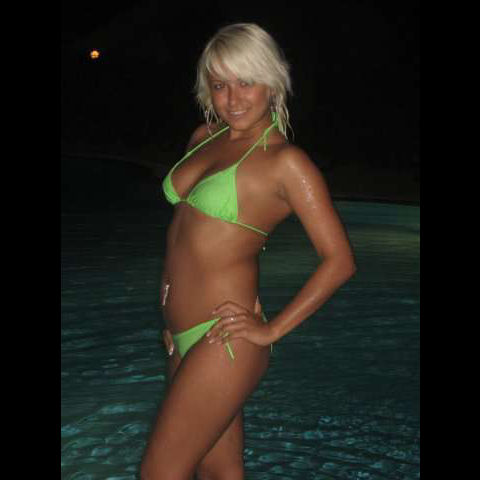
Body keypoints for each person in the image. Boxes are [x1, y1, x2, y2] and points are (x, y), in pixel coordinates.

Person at [140, 23, 356, 480]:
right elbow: (183, 236)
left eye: (246, 82)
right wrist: (169, 315)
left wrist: (271, 329)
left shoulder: (286, 163)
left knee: (159, 472)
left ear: (272, 83)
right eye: (220, 85)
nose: (233, 99)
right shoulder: (204, 136)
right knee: (220, 471)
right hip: (181, 335)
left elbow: (340, 261)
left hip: (225, 338)